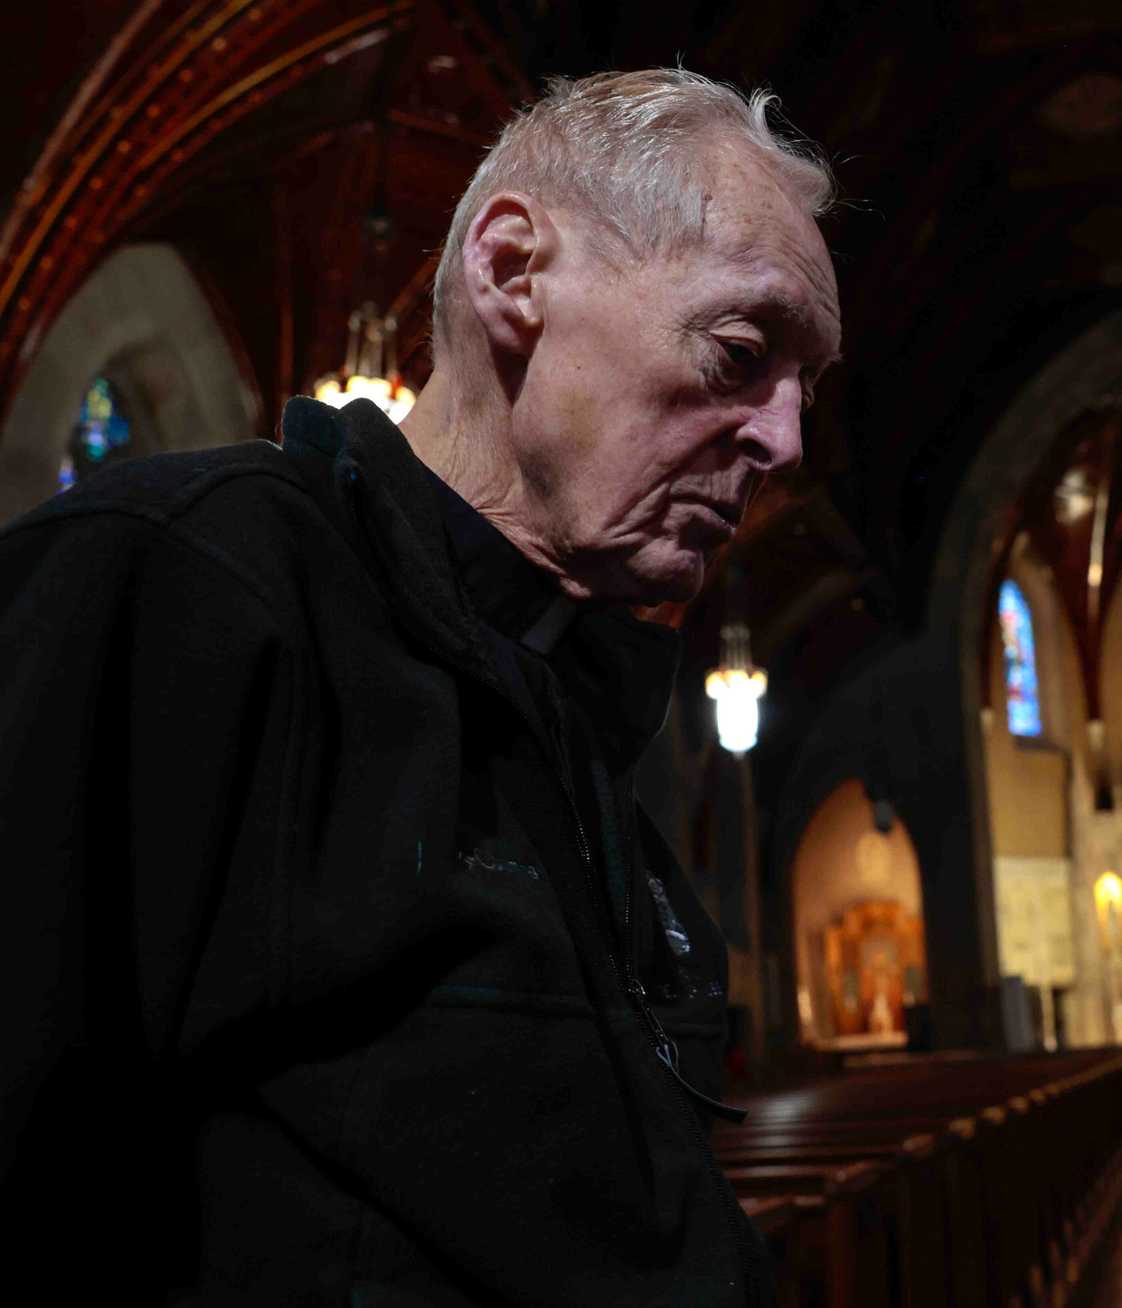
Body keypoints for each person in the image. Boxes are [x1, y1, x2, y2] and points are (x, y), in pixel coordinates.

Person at [0, 69, 840, 1305]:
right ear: (512, 274)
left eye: (804, 387)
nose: (787, 441)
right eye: (740, 352)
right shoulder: (178, 583)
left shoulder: (572, 694)